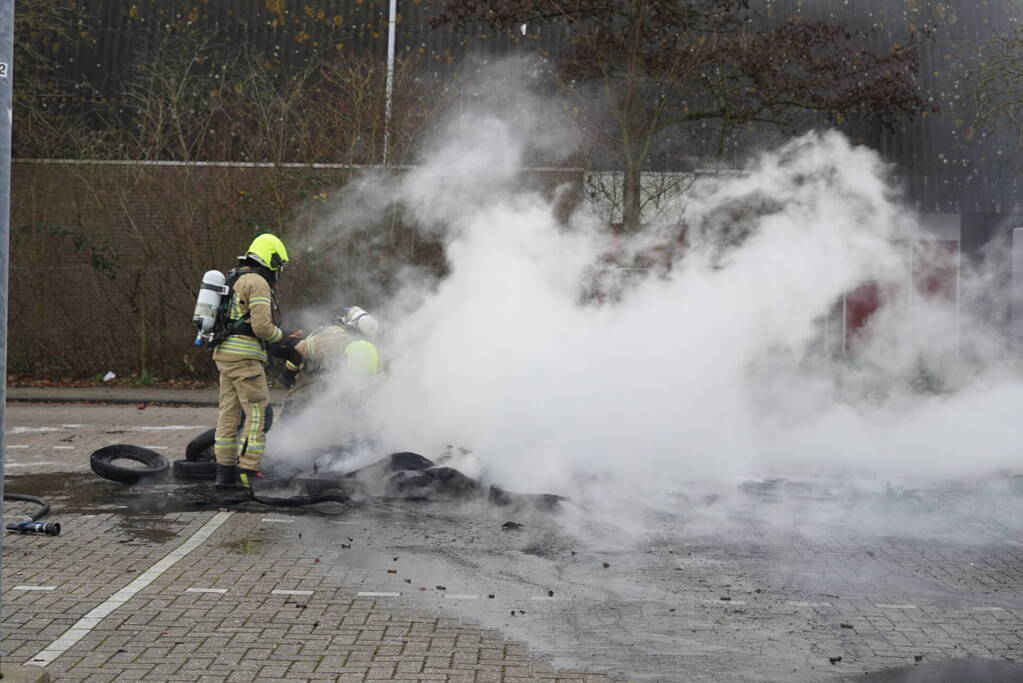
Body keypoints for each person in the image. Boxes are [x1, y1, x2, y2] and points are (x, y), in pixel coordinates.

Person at [211, 233, 293, 489]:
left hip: (225, 354)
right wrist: (284, 338)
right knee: (258, 413)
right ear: (271, 260)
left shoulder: (234, 277)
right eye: (278, 265)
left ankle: (224, 473)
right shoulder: (257, 282)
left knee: (229, 413)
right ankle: (249, 470)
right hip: (245, 357)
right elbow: (261, 327)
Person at [279, 305, 381, 419]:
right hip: (317, 400)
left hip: (304, 398)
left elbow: (295, 358)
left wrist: (288, 375)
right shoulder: (340, 337)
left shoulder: (328, 332)